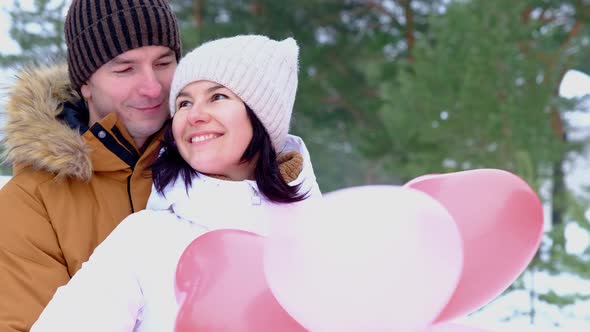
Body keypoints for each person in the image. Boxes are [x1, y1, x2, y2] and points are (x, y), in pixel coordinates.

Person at [30, 34, 322, 332]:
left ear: (264, 115)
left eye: (218, 97)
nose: (194, 115)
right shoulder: (145, 239)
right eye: (183, 103)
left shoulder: (324, 239)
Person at [0, 1, 181, 331]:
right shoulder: (31, 202)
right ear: (85, 83)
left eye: (163, 62)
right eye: (125, 69)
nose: (152, 87)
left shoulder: (214, 165)